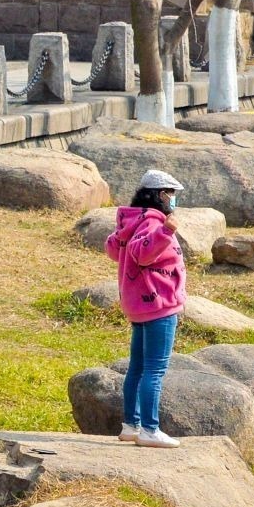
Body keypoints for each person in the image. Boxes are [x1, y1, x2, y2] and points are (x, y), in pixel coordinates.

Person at [106, 169, 187, 448]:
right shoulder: (154, 224)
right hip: (159, 305)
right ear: (161, 195)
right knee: (154, 369)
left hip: (138, 305)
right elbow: (142, 254)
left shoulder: (133, 221)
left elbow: (114, 248)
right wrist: (167, 231)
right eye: (171, 195)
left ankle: (132, 424)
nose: (173, 201)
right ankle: (150, 430)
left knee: (137, 368)